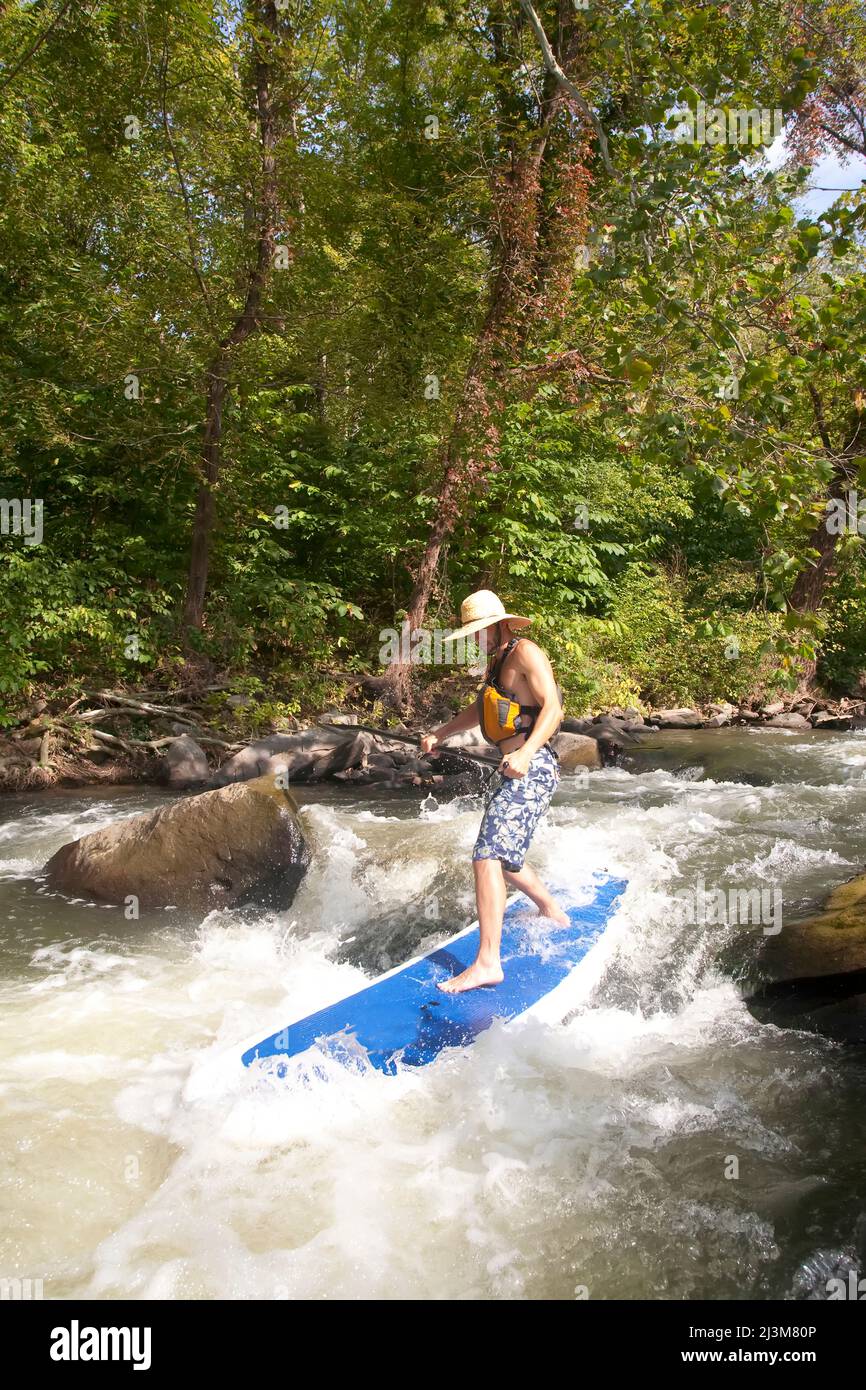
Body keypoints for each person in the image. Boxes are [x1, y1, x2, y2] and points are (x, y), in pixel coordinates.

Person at [420, 589, 567, 994]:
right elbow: (480, 709)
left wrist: (525, 754)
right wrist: (440, 733)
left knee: (487, 854)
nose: (475, 637)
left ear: (500, 625)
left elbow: (553, 708)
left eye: (480, 630)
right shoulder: (496, 662)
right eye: (472, 632)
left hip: (531, 766)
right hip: (517, 767)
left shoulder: (525, 653)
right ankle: (550, 908)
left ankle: (488, 962)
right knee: (502, 856)